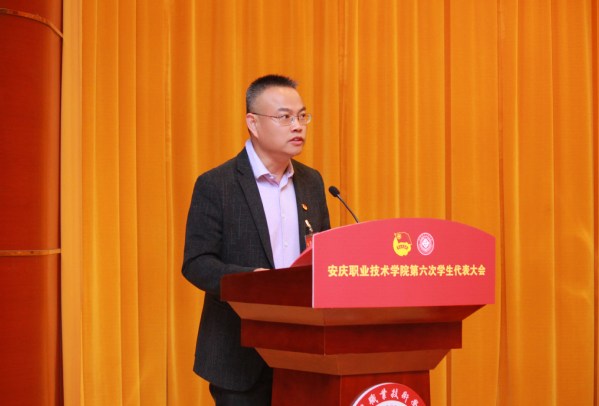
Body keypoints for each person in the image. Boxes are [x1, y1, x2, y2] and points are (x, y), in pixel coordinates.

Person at [182, 74, 331, 405]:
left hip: (303, 351)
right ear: (253, 123)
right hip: (239, 353)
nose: (298, 126)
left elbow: (322, 256)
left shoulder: (312, 182)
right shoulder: (216, 184)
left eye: (302, 116)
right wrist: (251, 282)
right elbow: (197, 263)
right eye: (284, 117)